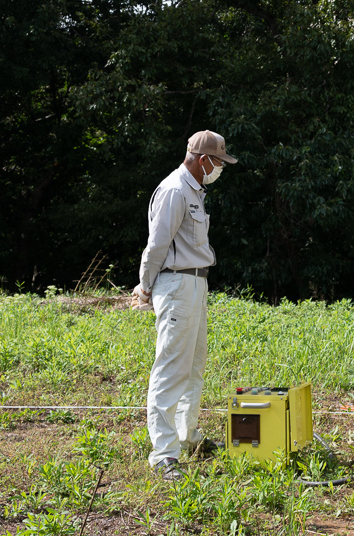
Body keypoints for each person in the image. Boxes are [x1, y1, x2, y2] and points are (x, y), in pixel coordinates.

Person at [133, 130, 237, 479]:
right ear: (202, 158)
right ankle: (163, 453)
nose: (220, 168)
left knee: (193, 364)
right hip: (176, 283)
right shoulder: (175, 189)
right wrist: (144, 287)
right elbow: (157, 244)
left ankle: (187, 435)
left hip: (195, 282)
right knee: (171, 367)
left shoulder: (194, 190)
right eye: (218, 161)